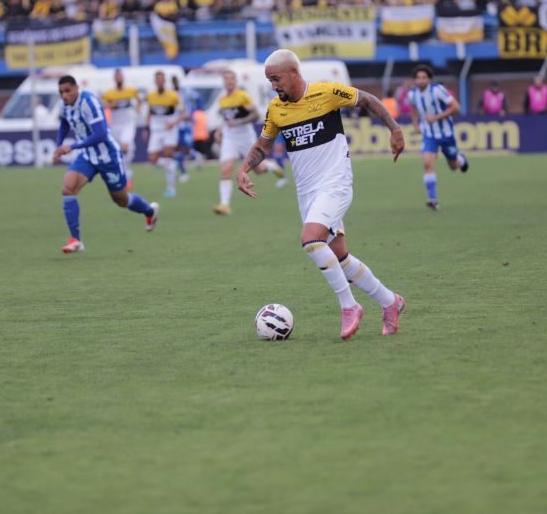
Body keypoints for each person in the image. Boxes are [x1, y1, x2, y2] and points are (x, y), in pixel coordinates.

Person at [237, 49, 407, 340]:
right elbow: (264, 145)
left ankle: (349, 306)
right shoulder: (276, 108)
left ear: (294, 73)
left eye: (276, 79)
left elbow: (368, 99)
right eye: (269, 81)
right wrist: (244, 170)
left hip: (335, 184)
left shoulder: (326, 93)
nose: (273, 86)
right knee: (340, 257)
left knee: (310, 240)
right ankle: (391, 302)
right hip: (307, 193)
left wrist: (394, 129)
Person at [52, 75, 158, 254]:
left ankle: (149, 211)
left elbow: (100, 134)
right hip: (87, 156)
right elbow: (64, 122)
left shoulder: (89, 102)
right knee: (67, 188)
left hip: (107, 156)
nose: (64, 96)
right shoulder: (64, 105)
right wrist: (58, 146)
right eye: (61, 92)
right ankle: (76, 240)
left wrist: (71, 146)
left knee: (121, 200)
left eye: (68, 91)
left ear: (77, 88)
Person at [212, 70, 283, 215]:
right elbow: (225, 119)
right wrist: (219, 131)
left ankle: (270, 166)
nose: (229, 82)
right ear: (224, 82)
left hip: (245, 136)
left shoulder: (243, 96)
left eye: (231, 79)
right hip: (230, 138)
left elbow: (256, 115)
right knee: (225, 169)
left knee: (258, 170)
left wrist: (238, 122)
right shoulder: (222, 99)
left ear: (235, 81)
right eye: (227, 79)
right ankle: (224, 205)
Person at [408, 65, 469, 211]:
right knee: (427, 164)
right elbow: (413, 108)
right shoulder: (413, 94)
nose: (420, 80)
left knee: (453, 166)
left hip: (446, 133)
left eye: (424, 77)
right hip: (429, 135)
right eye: (418, 78)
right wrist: (415, 124)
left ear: (429, 79)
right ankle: (433, 199)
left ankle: (461, 159)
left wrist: (436, 117)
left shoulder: (437, 90)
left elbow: (456, 107)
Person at [102, 69, 142, 188]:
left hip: (128, 123)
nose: (119, 78)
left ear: (123, 78)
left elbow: (140, 100)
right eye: (117, 76)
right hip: (115, 124)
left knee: (125, 147)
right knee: (118, 151)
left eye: (120, 76)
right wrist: (110, 105)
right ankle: (124, 172)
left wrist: (138, 109)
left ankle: (128, 175)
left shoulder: (130, 90)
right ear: (114, 79)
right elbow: (102, 105)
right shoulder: (109, 93)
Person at [146, 71, 182, 197]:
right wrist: (146, 128)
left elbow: (183, 113)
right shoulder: (151, 96)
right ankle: (173, 165)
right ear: (155, 81)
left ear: (164, 81)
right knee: (153, 160)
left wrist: (174, 122)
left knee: (167, 156)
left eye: (162, 79)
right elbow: (150, 112)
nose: (160, 81)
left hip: (169, 130)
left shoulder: (173, 96)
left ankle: (171, 188)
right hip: (156, 130)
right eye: (158, 79)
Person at [171, 75, 200, 182]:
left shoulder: (186, 92)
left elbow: (198, 100)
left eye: (176, 81)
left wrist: (191, 114)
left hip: (186, 124)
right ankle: (185, 170)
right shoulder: (171, 94)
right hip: (176, 125)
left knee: (184, 149)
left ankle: (192, 159)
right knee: (178, 150)